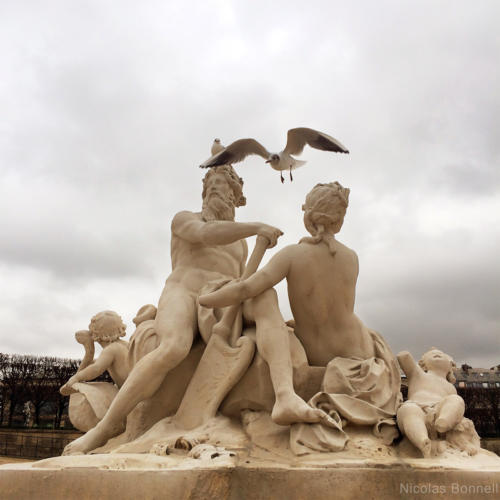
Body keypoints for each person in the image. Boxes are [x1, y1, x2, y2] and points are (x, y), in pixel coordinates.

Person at [63, 165, 285, 454]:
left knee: (262, 316)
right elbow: (205, 234)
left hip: (218, 299)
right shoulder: (185, 219)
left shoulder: (241, 244)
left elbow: (242, 282)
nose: (214, 190)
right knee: (174, 346)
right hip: (183, 291)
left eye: (222, 187)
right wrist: (257, 227)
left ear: (234, 199)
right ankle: (103, 429)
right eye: (210, 186)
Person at [200, 182, 401, 446]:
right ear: (339, 221)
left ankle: (284, 398)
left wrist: (205, 299)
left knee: (263, 295)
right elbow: (332, 306)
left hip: (318, 354)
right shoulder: (351, 257)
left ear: (308, 216)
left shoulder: (293, 255)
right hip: (361, 353)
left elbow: (248, 288)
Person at [396, 348, 465, 458]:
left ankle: (444, 422)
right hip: (417, 408)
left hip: (438, 414)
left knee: (456, 400)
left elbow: (453, 406)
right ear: (423, 365)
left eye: (441, 354)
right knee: (408, 409)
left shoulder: (451, 387)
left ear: (450, 366)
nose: (437, 354)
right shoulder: (418, 374)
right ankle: (422, 440)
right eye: (432, 354)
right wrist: (405, 355)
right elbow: (403, 357)